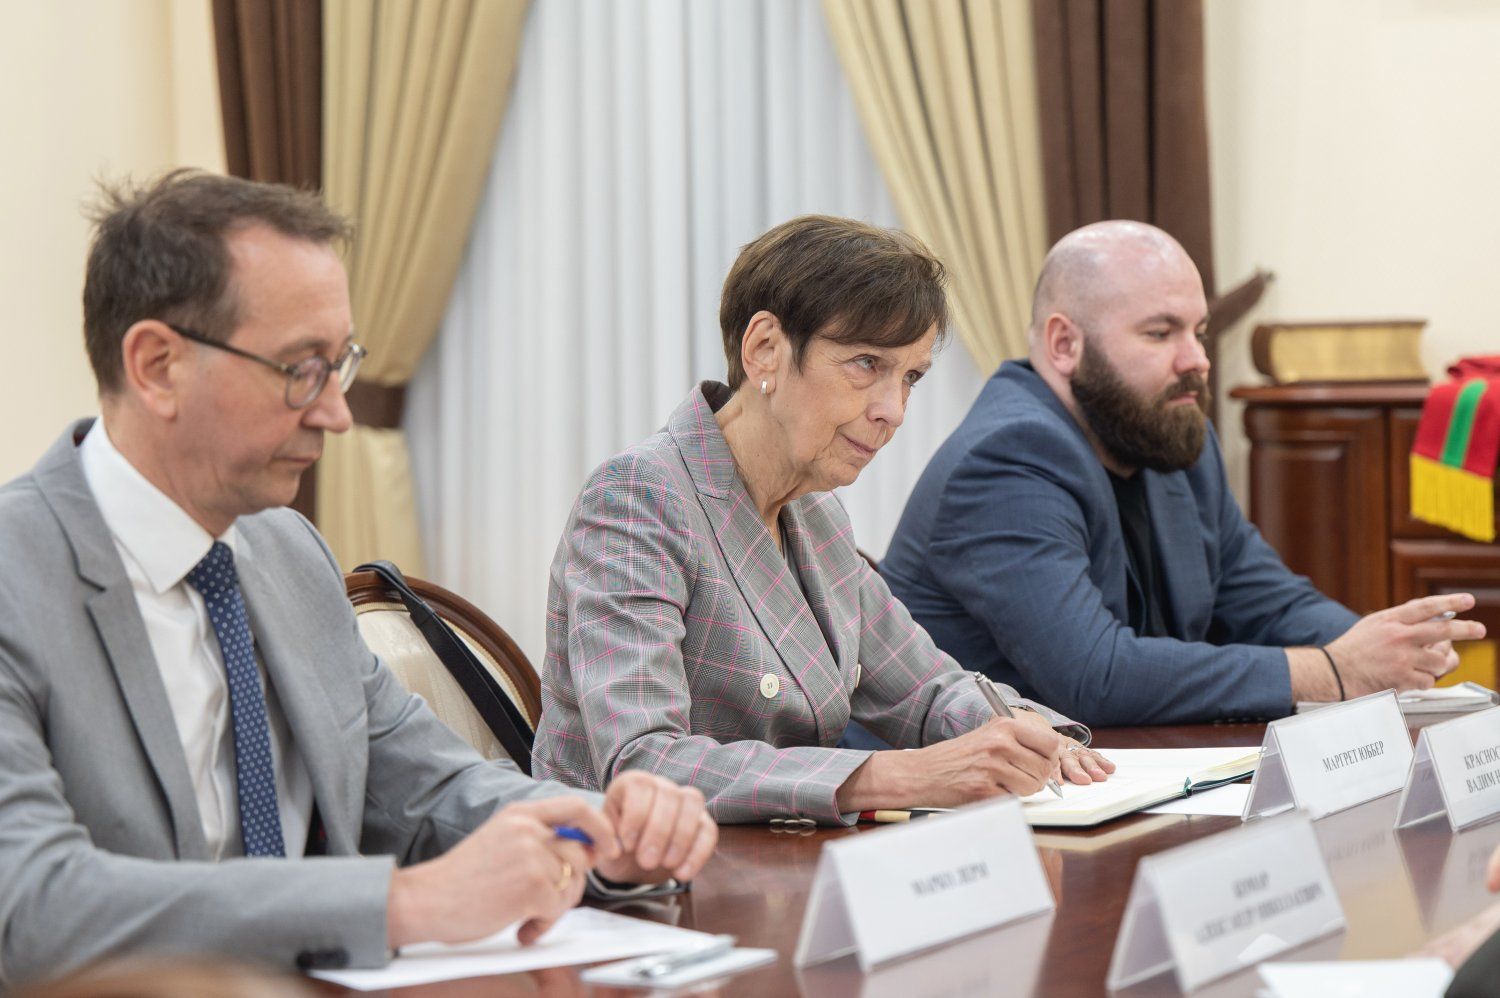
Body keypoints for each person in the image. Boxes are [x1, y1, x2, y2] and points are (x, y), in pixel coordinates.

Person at [0, 171, 716, 984]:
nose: (337, 413)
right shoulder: (17, 576)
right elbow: (30, 904)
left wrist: (603, 832)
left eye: (339, 364)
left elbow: (425, 786)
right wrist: (399, 905)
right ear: (158, 365)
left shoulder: (287, 553)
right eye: (300, 368)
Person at [531, 215, 1113, 825]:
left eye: (910, 377)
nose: (894, 411)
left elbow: (925, 689)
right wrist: (895, 776)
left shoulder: (817, 514)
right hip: (617, 869)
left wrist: (1028, 732)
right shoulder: (637, 497)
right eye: (865, 363)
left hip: (772, 860)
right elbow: (643, 763)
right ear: (765, 349)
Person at [880, 220, 1485, 726]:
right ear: (1065, 344)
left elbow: (1264, 599)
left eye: (1198, 332)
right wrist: (1330, 671)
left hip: (1121, 779)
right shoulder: (1008, 458)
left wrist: (1388, 648)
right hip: (980, 807)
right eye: (1160, 332)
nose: (1197, 359)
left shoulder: (1167, 433)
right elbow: (1095, 677)